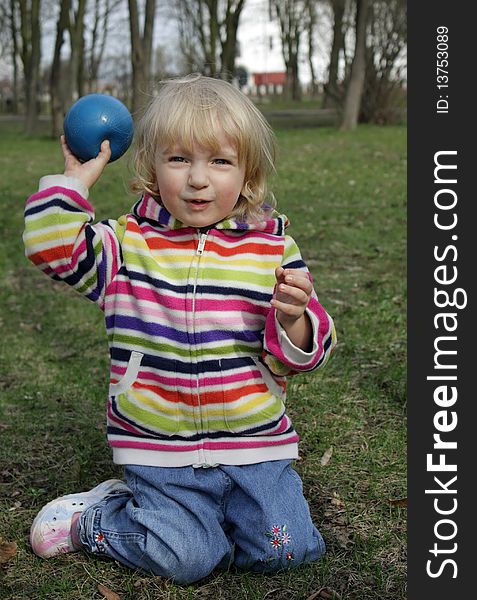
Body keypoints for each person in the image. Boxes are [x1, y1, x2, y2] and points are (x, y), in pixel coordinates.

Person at [23, 74, 337, 584]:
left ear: (247, 174)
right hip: (160, 447)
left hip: (253, 446)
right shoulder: (127, 246)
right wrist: (76, 182)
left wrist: (293, 317)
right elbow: (53, 250)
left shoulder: (273, 250)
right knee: (188, 558)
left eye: (219, 161)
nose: (198, 179)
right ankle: (98, 519)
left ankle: (209, 528)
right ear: (151, 167)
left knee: (288, 550)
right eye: (179, 159)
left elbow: (306, 353)